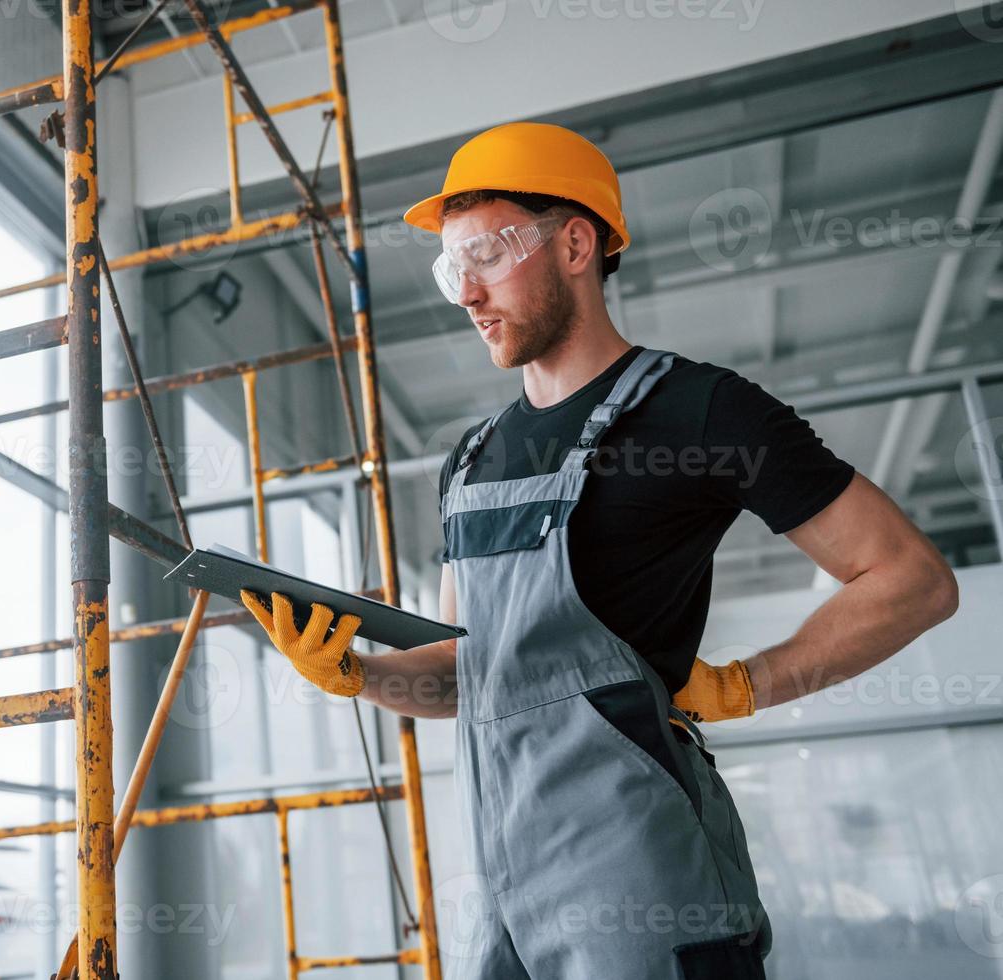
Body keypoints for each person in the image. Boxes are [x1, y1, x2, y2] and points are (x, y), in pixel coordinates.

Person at [238, 122, 959, 979]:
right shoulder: (468, 461)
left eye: (490, 253)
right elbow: (476, 675)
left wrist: (748, 684)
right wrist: (360, 672)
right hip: (506, 900)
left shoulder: (700, 411)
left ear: (575, 242)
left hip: (648, 893)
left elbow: (913, 581)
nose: (467, 292)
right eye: (450, 267)